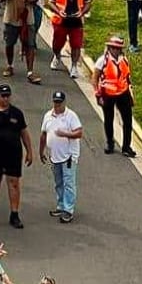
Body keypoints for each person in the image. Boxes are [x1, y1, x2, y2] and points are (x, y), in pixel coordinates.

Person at [0, 84, 33, 227]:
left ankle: (14, 214)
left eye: (8, 96)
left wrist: (29, 152)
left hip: (13, 154)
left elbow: (24, 133)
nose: (5, 99)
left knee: (14, 182)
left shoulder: (17, 114)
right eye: (3, 96)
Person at [39, 90, 82, 222]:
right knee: (58, 182)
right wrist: (41, 151)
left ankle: (68, 210)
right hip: (55, 155)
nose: (57, 105)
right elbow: (44, 135)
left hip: (68, 156)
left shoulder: (71, 116)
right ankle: (61, 205)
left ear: (64, 102)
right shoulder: (48, 116)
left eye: (59, 102)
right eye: (55, 102)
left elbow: (79, 133)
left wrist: (65, 134)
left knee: (69, 183)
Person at [91, 35, 136, 157]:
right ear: (109, 48)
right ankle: (110, 143)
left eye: (118, 48)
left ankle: (126, 147)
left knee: (128, 120)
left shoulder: (124, 60)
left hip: (123, 93)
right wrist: (98, 94)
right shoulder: (102, 60)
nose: (116, 50)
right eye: (114, 48)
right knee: (108, 119)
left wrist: (130, 93)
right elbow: (95, 78)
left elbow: (127, 77)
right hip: (108, 94)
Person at [0, 0, 41, 83]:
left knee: (30, 45)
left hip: (27, 19)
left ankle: (30, 71)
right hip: (11, 17)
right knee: (9, 44)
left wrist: (30, 0)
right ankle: (9, 65)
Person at [47, 0, 91, 78]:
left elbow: (88, 3)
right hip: (61, 21)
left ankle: (74, 66)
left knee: (76, 45)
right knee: (57, 43)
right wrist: (58, 11)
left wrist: (82, 13)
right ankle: (57, 56)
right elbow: (50, 2)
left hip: (76, 21)